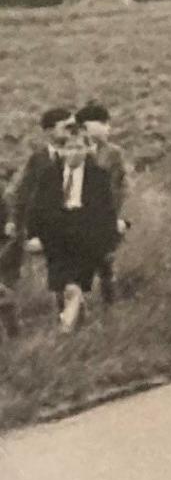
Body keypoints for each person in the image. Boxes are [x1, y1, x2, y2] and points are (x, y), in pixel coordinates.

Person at [27, 129, 119, 333]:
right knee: (61, 288)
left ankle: (65, 329)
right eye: (69, 148)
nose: (74, 153)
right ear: (60, 150)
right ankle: (80, 324)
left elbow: (107, 211)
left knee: (74, 286)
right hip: (57, 235)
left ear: (87, 150)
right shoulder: (49, 175)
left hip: (86, 234)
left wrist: (109, 243)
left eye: (79, 147)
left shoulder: (99, 176)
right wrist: (33, 235)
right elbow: (36, 207)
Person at [2, 106, 77, 330]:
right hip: (37, 226)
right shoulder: (38, 158)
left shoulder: (79, 155)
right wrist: (14, 221)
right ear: (49, 131)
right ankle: (11, 324)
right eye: (67, 127)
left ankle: (70, 327)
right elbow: (23, 192)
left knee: (67, 278)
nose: (73, 131)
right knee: (8, 271)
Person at [74, 103, 130, 303]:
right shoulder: (71, 152)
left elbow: (121, 186)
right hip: (76, 219)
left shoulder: (113, 153)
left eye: (108, 123)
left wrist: (116, 216)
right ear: (85, 127)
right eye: (103, 123)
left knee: (106, 265)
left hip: (105, 219)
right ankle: (73, 317)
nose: (108, 128)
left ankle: (110, 311)